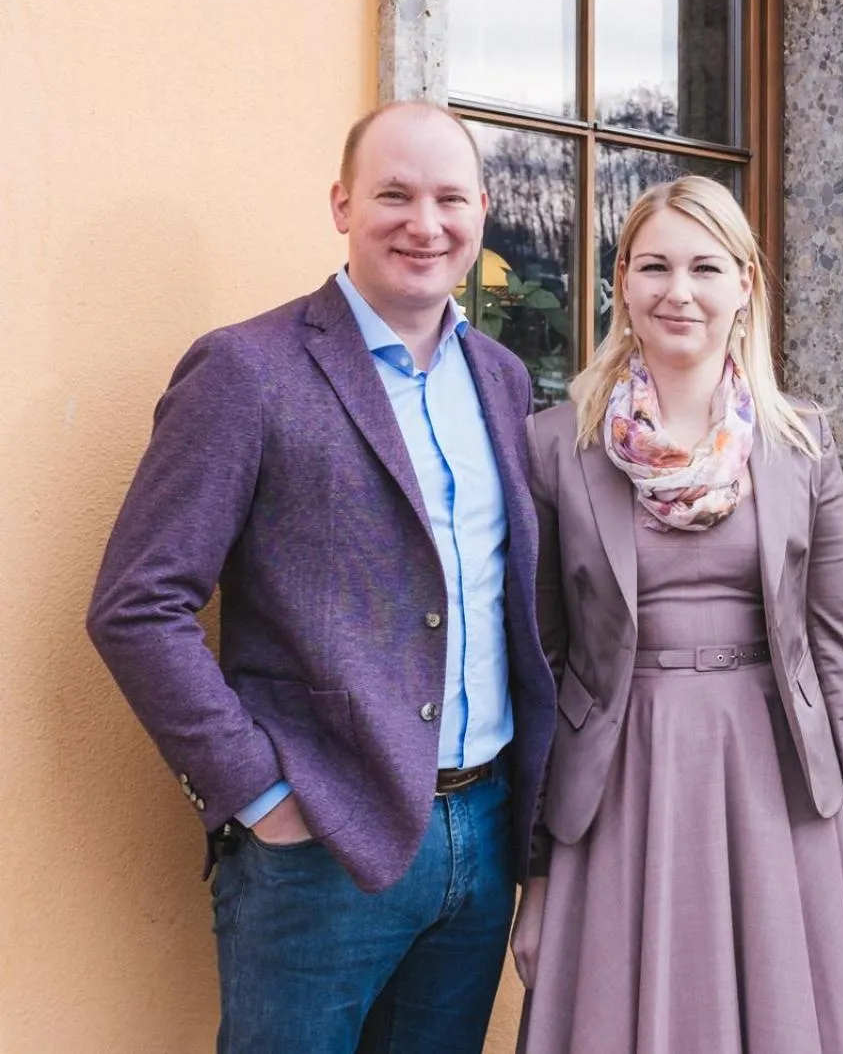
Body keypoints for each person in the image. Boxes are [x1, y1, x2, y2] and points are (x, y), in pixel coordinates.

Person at [85, 101, 557, 1053]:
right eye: (394, 195)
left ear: (482, 213)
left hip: (484, 830)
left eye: (450, 199)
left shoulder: (504, 379)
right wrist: (260, 795)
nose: (424, 224)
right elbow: (137, 604)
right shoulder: (246, 369)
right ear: (342, 205)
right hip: (318, 848)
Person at [512, 175, 843, 1054]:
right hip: (618, 784)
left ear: (744, 284)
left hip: (777, 782)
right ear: (621, 281)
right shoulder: (556, 444)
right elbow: (540, 662)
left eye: (705, 267)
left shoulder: (803, 441)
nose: (677, 291)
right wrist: (535, 874)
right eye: (654, 266)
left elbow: (839, 651)